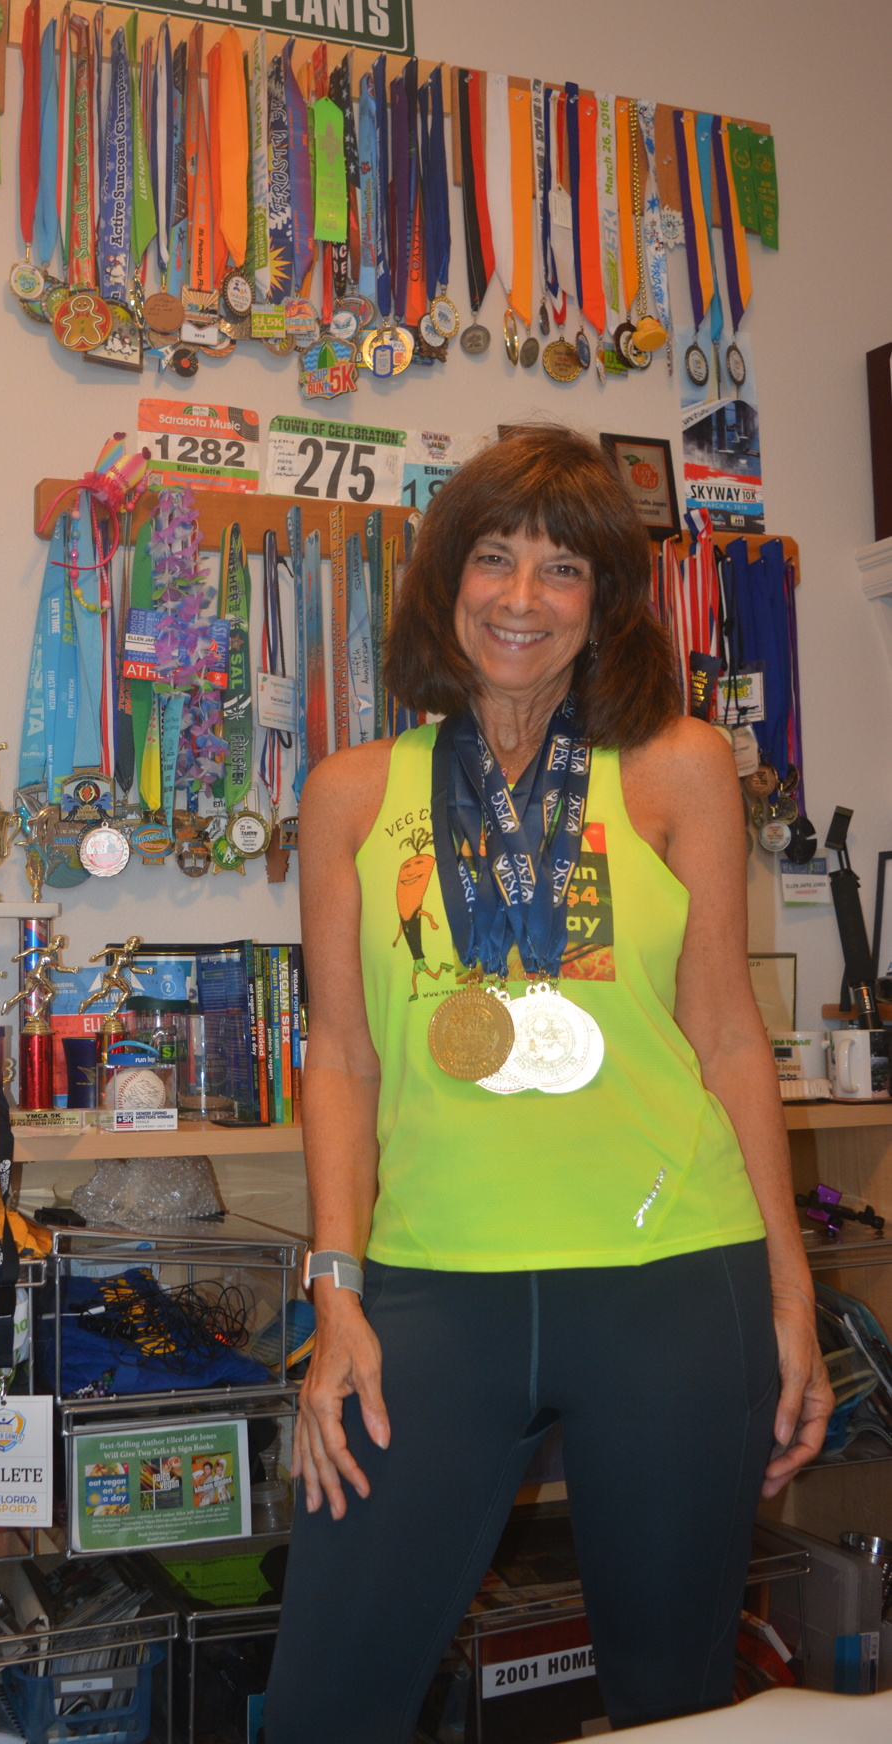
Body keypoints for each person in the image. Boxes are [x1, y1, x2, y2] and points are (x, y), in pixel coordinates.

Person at [265, 428, 831, 1741]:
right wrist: (333, 1290)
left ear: (605, 603)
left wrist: (791, 1295)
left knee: (667, 1703)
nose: (521, 597)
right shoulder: (351, 792)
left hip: (676, 1285)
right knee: (325, 1703)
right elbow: (339, 1055)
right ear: (444, 584)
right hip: (428, 1291)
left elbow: (727, 1036)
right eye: (493, 558)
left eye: (562, 568)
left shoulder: (680, 765)